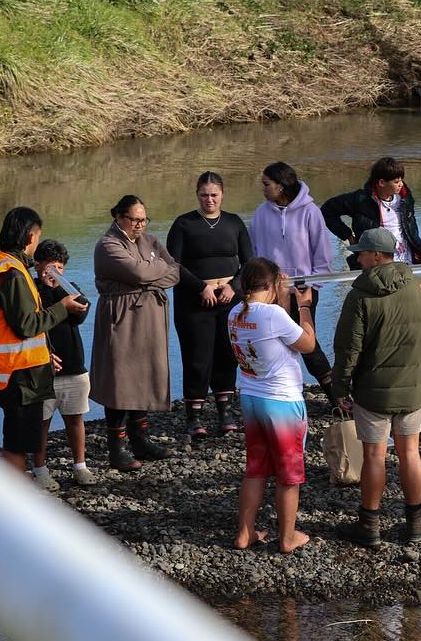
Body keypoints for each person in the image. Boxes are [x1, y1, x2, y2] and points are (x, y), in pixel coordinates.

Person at [331, 228, 421, 548]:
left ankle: (370, 525)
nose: (356, 257)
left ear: (377, 256)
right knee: (410, 453)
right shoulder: (420, 285)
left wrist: (339, 386)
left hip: (373, 392)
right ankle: (415, 522)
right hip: (413, 390)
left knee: (374, 456)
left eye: (361, 253)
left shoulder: (359, 296)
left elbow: (347, 349)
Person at [0, 207, 87, 481]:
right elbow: (27, 324)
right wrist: (62, 307)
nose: (37, 241)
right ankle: (12, 500)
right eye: (37, 236)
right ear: (29, 236)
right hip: (19, 373)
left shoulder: (4, 266)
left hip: (16, 370)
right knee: (17, 442)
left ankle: (14, 493)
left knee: (18, 438)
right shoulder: (11, 271)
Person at [227, 258, 317, 554]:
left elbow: (279, 334)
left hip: (252, 396)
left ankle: (245, 532)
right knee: (289, 474)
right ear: (274, 283)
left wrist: (284, 299)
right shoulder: (273, 315)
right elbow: (306, 344)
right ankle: (287, 537)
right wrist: (304, 307)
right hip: (281, 401)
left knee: (255, 468)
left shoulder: (235, 313)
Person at [90, 194, 182, 471]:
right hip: (122, 320)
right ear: (119, 217)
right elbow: (141, 274)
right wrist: (154, 272)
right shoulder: (107, 245)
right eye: (135, 220)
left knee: (144, 376)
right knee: (121, 381)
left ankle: (140, 439)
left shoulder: (150, 241)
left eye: (144, 219)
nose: (140, 225)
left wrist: (152, 272)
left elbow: (175, 271)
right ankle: (116, 449)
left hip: (150, 321)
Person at [167, 171, 253, 439]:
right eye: (204, 195)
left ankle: (225, 412)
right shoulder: (184, 224)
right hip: (195, 301)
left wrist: (233, 286)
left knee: (227, 356)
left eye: (214, 195)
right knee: (197, 358)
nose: (209, 200)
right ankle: (194, 416)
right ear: (197, 195)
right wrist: (200, 287)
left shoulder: (234, 222)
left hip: (229, 299)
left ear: (222, 195)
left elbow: (248, 262)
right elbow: (173, 265)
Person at [250, 161, 339, 408]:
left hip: (303, 291)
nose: (264, 189)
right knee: (272, 345)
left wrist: (312, 286)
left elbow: (322, 254)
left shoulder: (310, 212)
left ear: (281, 186)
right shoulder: (260, 213)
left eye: (267, 184)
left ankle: (336, 397)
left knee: (307, 344)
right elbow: (254, 253)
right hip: (269, 294)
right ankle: (280, 395)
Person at [31, 239, 97, 489]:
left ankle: (80, 465)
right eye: (49, 268)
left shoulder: (68, 289)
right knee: (41, 422)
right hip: (42, 368)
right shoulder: (31, 291)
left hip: (73, 367)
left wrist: (60, 285)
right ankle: (40, 469)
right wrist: (52, 291)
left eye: (59, 268)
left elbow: (81, 311)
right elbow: (33, 321)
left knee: (75, 419)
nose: (54, 273)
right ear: (37, 266)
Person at [321, 156, 421, 268]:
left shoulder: (405, 198)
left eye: (401, 180)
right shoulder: (361, 200)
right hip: (375, 265)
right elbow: (327, 211)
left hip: (406, 262)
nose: (401, 184)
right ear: (381, 183)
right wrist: (348, 236)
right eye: (396, 182)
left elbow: (411, 231)